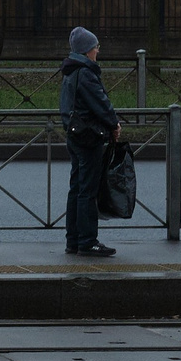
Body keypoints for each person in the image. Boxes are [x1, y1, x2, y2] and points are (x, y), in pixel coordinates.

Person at [58, 26, 120, 258]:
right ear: (86, 50)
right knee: (87, 190)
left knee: (76, 188)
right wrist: (114, 124)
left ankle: (73, 241)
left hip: (74, 135)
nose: (98, 51)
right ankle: (87, 241)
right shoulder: (85, 73)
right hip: (88, 136)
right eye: (96, 47)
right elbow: (101, 103)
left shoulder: (70, 70)